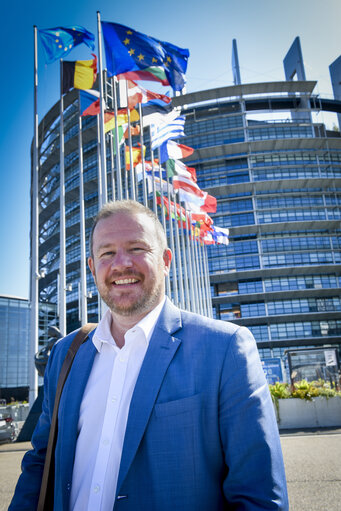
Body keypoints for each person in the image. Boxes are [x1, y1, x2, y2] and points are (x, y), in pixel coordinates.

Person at [10, 199, 288, 510]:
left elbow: (259, 498)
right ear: (92, 267)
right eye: (107, 253)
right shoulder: (66, 354)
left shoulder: (225, 349)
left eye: (137, 248)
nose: (121, 264)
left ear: (166, 260)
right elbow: (39, 463)